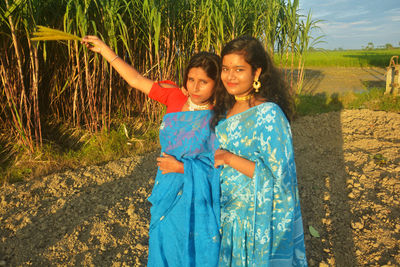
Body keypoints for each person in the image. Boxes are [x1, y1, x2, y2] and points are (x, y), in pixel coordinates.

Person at [81, 36, 221, 266]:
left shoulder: (221, 116)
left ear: (216, 84)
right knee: (164, 243)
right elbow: (136, 79)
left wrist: (182, 167)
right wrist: (105, 50)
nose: (195, 87)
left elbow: (221, 163)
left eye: (203, 82)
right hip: (167, 188)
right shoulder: (175, 96)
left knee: (194, 247)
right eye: (191, 79)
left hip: (197, 195)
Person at [211, 36, 307, 266]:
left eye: (239, 69)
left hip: (254, 220)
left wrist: (228, 158)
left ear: (256, 73)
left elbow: (280, 179)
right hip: (226, 215)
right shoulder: (226, 107)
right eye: (225, 69)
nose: (230, 76)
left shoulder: (269, 115)